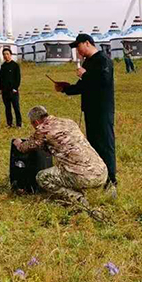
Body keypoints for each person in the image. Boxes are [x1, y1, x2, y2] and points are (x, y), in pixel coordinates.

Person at [13, 105, 107, 215]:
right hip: (101, 172)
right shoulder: (69, 122)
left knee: (42, 177)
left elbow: (25, 148)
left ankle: (78, 199)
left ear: (36, 122)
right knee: (68, 167)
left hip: (84, 177)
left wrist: (18, 143)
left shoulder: (43, 129)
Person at [54, 34, 117, 194]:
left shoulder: (103, 59)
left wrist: (84, 74)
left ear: (87, 43)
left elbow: (103, 81)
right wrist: (66, 88)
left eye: (78, 46)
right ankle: (97, 177)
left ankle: (111, 180)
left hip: (102, 110)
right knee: (94, 145)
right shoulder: (88, 62)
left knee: (105, 144)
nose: (77, 51)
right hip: (90, 109)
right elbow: (85, 86)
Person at [0, 48, 22, 127]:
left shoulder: (15, 65)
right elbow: (1, 79)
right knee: (7, 108)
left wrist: (15, 88)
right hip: (5, 91)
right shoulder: (3, 66)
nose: (6, 56)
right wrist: (1, 89)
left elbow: (18, 78)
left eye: (7, 54)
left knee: (16, 108)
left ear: (10, 55)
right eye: (4, 54)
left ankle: (19, 124)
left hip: (13, 90)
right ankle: (9, 123)